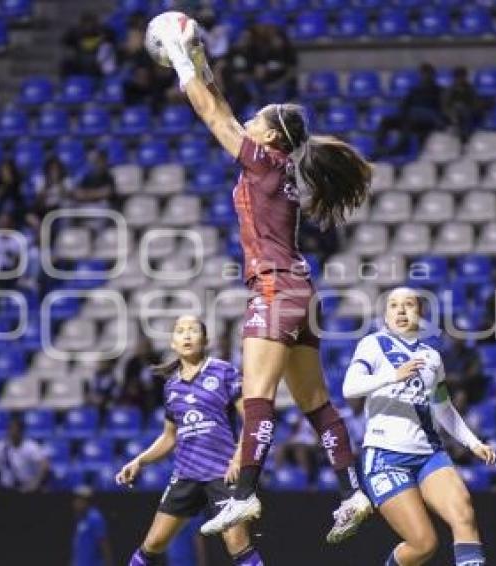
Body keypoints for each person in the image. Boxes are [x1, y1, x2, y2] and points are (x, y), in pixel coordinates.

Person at [157, 24, 373, 542]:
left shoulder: (263, 161)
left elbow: (213, 115)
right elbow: (227, 109)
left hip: (275, 288)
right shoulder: (277, 164)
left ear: (271, 136)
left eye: (258, 120)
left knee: (258, 395)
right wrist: (201, 58)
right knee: (315, 401)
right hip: (300, 289)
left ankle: (243, 491)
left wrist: (179, 59)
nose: (248, 122)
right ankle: (352, 491)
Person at [343, 287, 496, 566]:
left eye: (409, 305)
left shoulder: (432, 357)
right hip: (385, 457)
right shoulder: (372, 344)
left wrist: (473, 442)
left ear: (421, 313)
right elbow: (349, 388)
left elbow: (443, 406)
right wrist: (392, 376)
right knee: (423, 544)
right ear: (386, 315)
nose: (401, 311)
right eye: (394, 305)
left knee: (464, 515)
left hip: (429, 454)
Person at [116, 315, 263, 566]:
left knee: (237, 545)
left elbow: (251, 418)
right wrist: (139, 461)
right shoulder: (171, 386)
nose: (186, 335)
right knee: (153, 544)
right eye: (180, 331)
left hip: (223, 473)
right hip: (186, 475)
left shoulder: (224, 372)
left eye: (193, 330)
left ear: (204, 340)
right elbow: (169, 437)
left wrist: (240, 456)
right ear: (173, 343)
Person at [376, 63, 447, 155]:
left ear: (432, 76)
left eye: (427, 74)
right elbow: (404, 106)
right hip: (410, 116)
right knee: (386, 121)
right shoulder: (415, 90)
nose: (425, 77)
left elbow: (440, 110)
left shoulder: (438, 91)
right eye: (423, 74)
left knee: (409, 120)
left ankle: (399, 148)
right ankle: (379, 148)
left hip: (425, 121)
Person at [0, 415, 51, 492]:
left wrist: (35, 483)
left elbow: (45, 466)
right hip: (5, 488)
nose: (12, 432)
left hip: (26, 487)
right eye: (10, 429)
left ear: (21, 431)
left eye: (15, 430)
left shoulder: (31, 447)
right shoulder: (2, 445)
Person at [61, 13, 116, 78]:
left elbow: (112, 39)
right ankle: (68, 83)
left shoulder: (104, 32)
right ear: (82, 24)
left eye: (91, 23)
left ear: (96, 23)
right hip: (80, 60)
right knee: (66, 63)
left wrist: (103, 35)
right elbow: (64, 41)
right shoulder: (75, 33)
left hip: (97, 62)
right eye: (86, 23)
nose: (89, 26)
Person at [72, 486, 115, 566]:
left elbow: (103, 543)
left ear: (87, 501)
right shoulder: (81, 518)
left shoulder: (95, 517)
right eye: (76, 499)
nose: (76, 503)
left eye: (80, 500)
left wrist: (109, 563)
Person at [442, 66, 482, 143]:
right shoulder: (450, 90)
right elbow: (445, 106)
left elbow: (476, 104)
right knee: (458, 106)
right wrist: (451, 113)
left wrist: (470, 109)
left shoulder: (470, 89)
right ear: (455, 78)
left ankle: (463, 133)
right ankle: (457, 127)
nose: (461, 79)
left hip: (468, 113)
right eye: (458, 77)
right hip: (453, 114)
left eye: (462, 77)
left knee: (461, 107)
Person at [0, 159, 27, 227]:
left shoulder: (18, 183)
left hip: (17, 214)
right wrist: (5, 185)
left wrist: (11, 183)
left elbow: (21, 202)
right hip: (0, 214)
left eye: (7, 170)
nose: (5, 173)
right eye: (3, 171)